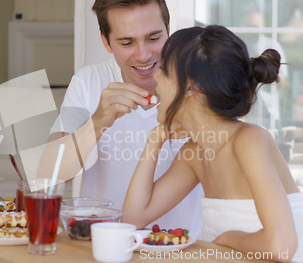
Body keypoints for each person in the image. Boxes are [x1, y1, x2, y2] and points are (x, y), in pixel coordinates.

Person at [122, 25, 303, 262]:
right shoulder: (193, 154)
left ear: (192, 85)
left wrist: (227, 238)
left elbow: (280, 248)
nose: (156, 77)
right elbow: (132, 218)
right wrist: (155, 140)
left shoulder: (249, 140)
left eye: (164, 70)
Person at [38, 0, 204, 233]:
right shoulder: (87, 82)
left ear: (169, 29)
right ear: (106, 41)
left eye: (154, 38)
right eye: (127, 42)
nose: (143, 55)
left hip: (180, 247)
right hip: (98, 245)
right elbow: (48, 175)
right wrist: (97, 123)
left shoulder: (199, 86)